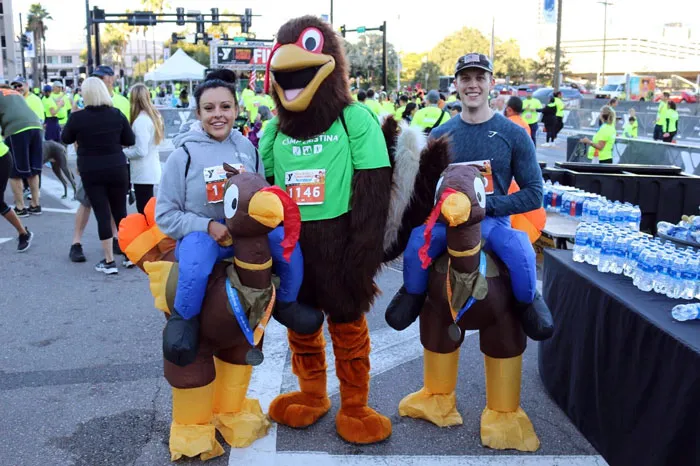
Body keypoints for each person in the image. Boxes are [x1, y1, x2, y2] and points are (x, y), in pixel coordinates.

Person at [397, 52, 551, 341]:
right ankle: (411, 294)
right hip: (446, 224)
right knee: (417, 241)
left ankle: (529, 302)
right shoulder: (440, 135)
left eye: (480, 77)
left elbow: (534, 194)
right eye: (465, 78)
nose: (473, 85)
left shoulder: (514, 134)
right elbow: (424, 190)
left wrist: (482, 206)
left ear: (492, 82)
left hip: (493, 224)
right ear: (456, 83)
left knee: (520, 249)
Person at [155, 77, 265, 364]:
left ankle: (290, 304)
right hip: (202, 239)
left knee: (283, 244)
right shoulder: (183, 156)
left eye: (225, 106)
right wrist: (207, 226)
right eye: (209, 108)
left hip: (245, 238)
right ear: (198, 113)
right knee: (197, 256)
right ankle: (184, 322)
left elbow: (262, 195)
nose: (218, 114)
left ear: (237, 108)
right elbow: (165, 215)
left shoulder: (248, 148)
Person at [61, 77, 135, 274]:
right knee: (121, 213)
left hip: (91, 168)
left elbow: (65, 138)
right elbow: (130, 139)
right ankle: (128, 256)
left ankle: (109, 261)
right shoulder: (116, 114)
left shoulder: (78, 118)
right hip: (117, 166)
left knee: (102, 213)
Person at [1, 86, 44, 217]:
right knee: (33, 169)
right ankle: (35, 205)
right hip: (36, 126)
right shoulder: (15, 94)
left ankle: (20, 207)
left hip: (17, 129)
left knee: (15, 172)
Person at [123, 83, 164, 214]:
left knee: (144, 211)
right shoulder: (154, 117)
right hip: (150, 169)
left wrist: (123, 151)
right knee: (148, 209)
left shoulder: (141, 120)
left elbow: (141, 151)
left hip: (142, 171)